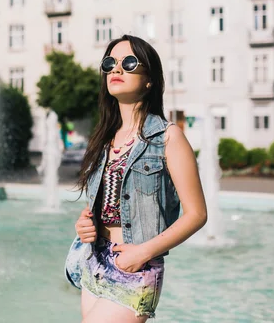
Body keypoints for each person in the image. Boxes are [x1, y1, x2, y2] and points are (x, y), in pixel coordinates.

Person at [70, 34, 207, 322]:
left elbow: (197, 214)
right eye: (110, 63)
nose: (116, 69)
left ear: (149, 80)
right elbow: (107, 204)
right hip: (94, 257)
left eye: (129, 63)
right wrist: (86, 223)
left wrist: (141, 253)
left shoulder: (169, 137)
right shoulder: (104, 138)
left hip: (135, 266)